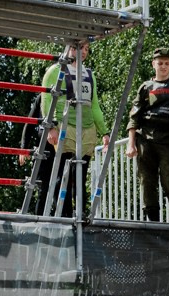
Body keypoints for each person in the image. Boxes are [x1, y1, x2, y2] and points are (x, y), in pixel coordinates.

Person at [28, 39, 109, 217]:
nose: (84, 52)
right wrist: (51, 127)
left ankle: (80, 216)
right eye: (80, 48)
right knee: (61, 176)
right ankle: (63, 217)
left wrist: (104, 132)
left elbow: (94, 105)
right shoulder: (55, 71)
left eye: (87, 49)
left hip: (86, 129)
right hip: (64, 127)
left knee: (80, 175)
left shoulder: (89, 74)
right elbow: (46, 100)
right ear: (70, 48)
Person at [126, 48, 169, 222]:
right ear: (153, 64)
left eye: (167, 63)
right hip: (146, 137)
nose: (163, 66)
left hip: (168, 137)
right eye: (159, 63)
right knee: (147, 180)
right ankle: (152, 218)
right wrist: (131, 144)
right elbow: (134, 116)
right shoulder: (146, 87)